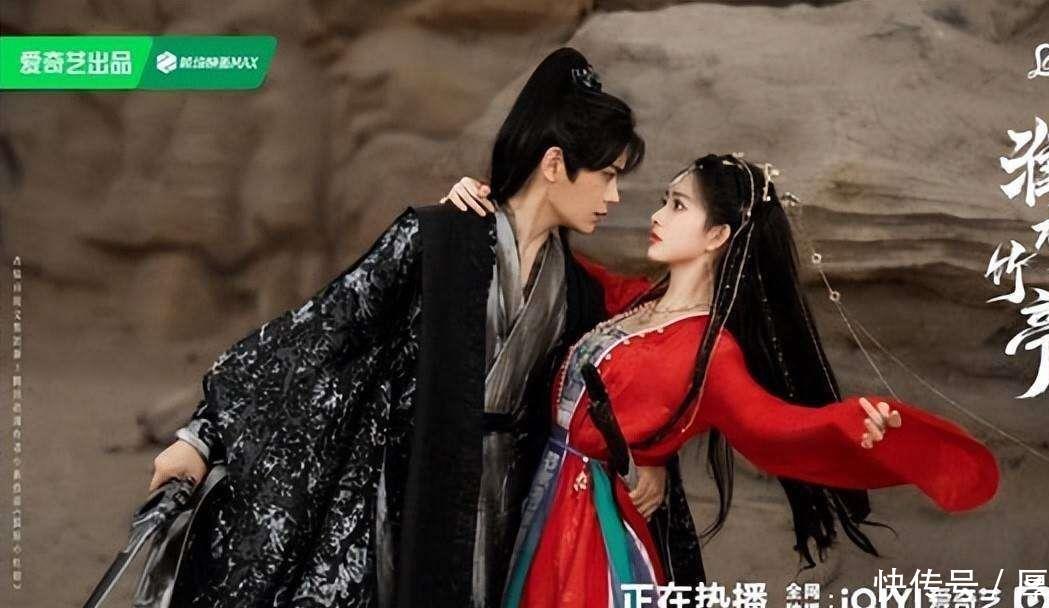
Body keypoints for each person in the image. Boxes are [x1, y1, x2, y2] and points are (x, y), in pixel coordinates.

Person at [146, 47, 698, 608]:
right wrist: (200, 439)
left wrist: (652, 460)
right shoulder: (435, 241)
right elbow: (318, 334)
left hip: (515, 509)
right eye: (607, 176)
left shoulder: (576, 291)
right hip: (415, 498)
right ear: (554, 164)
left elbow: (617, 388)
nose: (614, 196)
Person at [444, 154, 1000, 608]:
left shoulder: (712, 353)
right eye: (664, 200)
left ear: (717, 234)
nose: (657, 215)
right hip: (542, 504)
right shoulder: (636, 301)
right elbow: (550, 258)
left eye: (677, 205)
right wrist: (491, 213)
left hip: (590, 533)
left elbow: (772, 427)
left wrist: (851, 422)